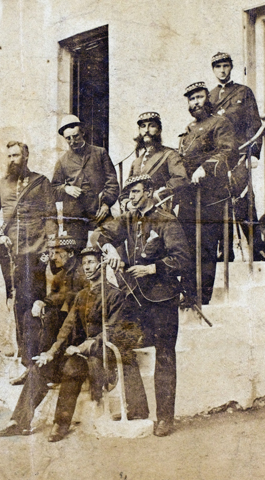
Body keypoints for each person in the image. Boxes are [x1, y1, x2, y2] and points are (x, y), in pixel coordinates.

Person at [91, 175, 193, 437]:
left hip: (162, 300)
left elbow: (182, 259)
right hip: (135, 299)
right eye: (129, 193)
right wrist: (109, 249)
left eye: (136, 192)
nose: (131, 197)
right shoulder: (129, 219)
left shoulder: (166, 219)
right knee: (121, 344)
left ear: (149, 191)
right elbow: (99, 234)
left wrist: (151, 268)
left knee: (165, 356)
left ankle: (165, 418)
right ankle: (138, 408)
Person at [36, 246, 148, 442]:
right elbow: (68, 326)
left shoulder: (115, 295)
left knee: (90, 362)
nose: (87, 267)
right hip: (86, 353)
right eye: (84, 263)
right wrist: (52, 351)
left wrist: (81, 348)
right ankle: (60, 424)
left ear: (102, 265)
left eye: (91, 262)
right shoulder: (82, 295)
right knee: (71, 367)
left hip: (107, 352)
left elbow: (111, 332)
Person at [0, 235, 87, 437]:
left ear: (70, 254)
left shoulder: (83, 275)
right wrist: (44, 302)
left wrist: (47, 304)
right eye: (50, 252)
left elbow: (70, 305)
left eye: (57, 253)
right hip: (65, 341)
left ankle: (60, 425)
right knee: (39, 370)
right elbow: (61, 306)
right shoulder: (61, 274)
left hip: (84, 347)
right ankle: (18, 422)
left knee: (71, 368)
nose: (52, 257)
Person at [0, 141, 57, 385]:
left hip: (36, 255)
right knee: (18, 309)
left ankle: (40, 366)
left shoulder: (41, 182)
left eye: (16, 155)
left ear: (26, 156)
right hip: (12, 255)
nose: (12, 159)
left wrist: (50, 248)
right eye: (9, 156)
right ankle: (27, 365)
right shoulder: (1, 184)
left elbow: (50, 216)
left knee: (36, 310)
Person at [177, 82, 237, 305]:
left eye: (200, 97)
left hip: (211, 195)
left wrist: (206, 167)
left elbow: (229, 151)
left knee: (206, 247)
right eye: (191, 99)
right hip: (189, 196)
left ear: (208, 99)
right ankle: (187, 293)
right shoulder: (189, 129)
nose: (196, 103)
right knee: (185, 245)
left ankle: (201, 297)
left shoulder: (220, 123)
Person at [209, 52, 265, 261]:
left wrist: (254, 153)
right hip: (219, 158)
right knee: (220, 203)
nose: (222, 70)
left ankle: (258, 251)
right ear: (213, 70)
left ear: (231, 67)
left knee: (243, 200)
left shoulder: (243, 92)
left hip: (241, 154)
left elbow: (255, 124)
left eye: (225, 66)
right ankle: (225, 252)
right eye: (218, 67)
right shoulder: (210, 97)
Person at [52, 115, 120, 248]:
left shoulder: (100, 153)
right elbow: (53, 187)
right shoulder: (62, 160)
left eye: (76, 136)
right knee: (76, 254)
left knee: (107, 247)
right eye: (68, 138)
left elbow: (112, 182)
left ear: (83, 132)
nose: (73, 141)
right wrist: (66, 188)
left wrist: (106, 205)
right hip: (75, 216)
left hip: (100, 211)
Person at [120, 112, 188, 213]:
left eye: (152, 126)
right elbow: (126, 191)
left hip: (160, 214)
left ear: (159, 130)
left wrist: (157, 196)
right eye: (143, 126)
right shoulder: (136, 162)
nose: (146, 130)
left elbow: (181, 179)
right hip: (136, 216)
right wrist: (127, 203)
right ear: (139, 130)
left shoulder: (170, 155)